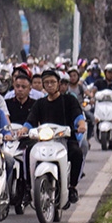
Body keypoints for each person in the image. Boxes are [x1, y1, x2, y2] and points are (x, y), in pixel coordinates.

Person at [24, 67, 86, 206]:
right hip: (45, 140)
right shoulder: (40, 103)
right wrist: (23, 130)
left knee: (76, 152)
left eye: (52, 82)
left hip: (66, 138)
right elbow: (30, 120)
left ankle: (72, 187)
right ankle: (29, 189)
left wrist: (81, 124)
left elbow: (78, 116)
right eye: (46, 83)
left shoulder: (69, 100)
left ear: (59, 83)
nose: (50, 85)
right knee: (28, 151)